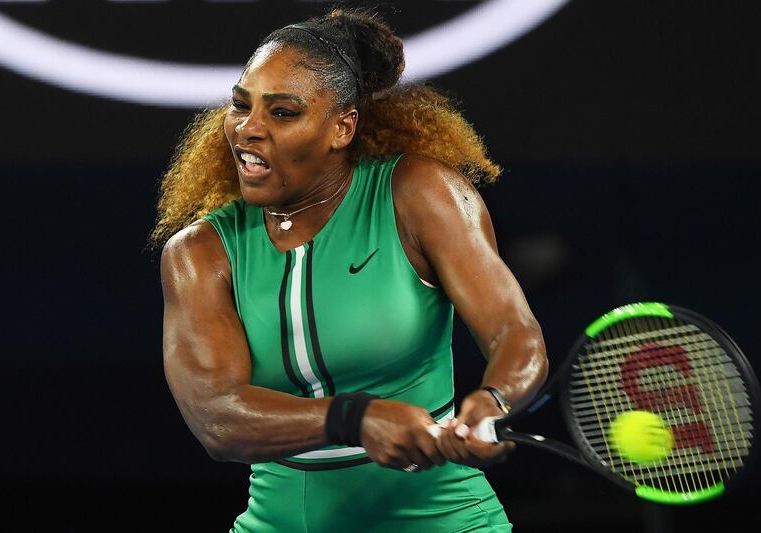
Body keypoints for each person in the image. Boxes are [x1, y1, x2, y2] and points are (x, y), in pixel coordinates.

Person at [152, 8, 548, 533]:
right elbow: (217, 418)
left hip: (446, 520)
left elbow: (513, 331)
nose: (248, 129)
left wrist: (492, 401)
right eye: (240, 105)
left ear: (342, 127)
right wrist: (355, 419)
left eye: (283, 113)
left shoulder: (422, 193)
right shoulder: (199, 253)